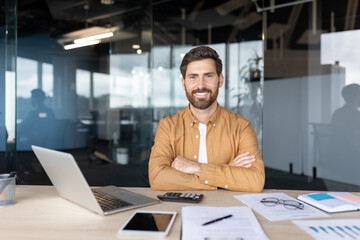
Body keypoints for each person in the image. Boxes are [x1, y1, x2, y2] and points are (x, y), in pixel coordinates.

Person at [148, 46, 265, 192]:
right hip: (181, 211)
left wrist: (195, 168)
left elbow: (255, 180)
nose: (201, 85)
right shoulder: (168, 126)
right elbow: (158, 178)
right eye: (193, 77)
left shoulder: (241, 127)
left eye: (208, 76)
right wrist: (226, 173)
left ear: (220, 80)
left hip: (228, 211)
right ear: (183, 83)